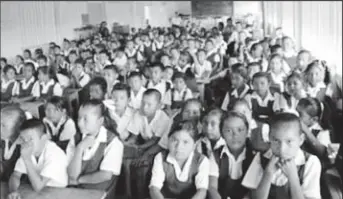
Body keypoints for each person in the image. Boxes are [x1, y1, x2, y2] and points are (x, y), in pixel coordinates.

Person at [242, 113, 322, 199]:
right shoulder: (261, 158)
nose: (282, 149)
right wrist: (268, 173)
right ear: (269, 138)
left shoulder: (311, 162)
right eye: (276, 140)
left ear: (301, 140)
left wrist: (293, 177)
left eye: (289, 141)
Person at [67, 100, 123, 190]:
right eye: (79, 118)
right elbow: (72, 175)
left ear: (100, 121)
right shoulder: (75, 139)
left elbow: (105, 175)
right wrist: (79, 148)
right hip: (77, 191)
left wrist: (78, 180)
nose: (80, 123)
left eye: (85, 119)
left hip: (100, 191)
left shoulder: (113, 142)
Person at [126, 89, 172, 198]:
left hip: (158, 148)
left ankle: (143, 195)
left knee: (143, 168)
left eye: (149, 104)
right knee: (126, 163)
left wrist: (140, 149)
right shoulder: (138, 114)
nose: (144, 107)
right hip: (143, 144)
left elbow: (156, 140)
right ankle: (128, 194)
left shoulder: (163, 118)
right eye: (143, 103)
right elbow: (134, 136)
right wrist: (128, 144)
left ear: (159, 106)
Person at [8, 119, 68, 199]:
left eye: (30, 139)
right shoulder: (29, 151)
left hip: (61, 192)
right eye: (23, 139)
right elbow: (16, 175)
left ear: (44, 138)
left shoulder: (54, 153)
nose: (26, 143)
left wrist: (26, 159)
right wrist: (13, 191)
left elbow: (38, 187)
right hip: (40, 192)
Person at [149, 120, 209, 199]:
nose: (179, 147)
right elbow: (154, 188)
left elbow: (202, 191)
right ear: (168, 141)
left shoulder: (201, 160)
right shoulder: (160, 157)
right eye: (174, 140)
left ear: (194, 145)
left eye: (185, 142)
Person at [209, 111, 254, 199]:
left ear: (247, 132)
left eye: (240, 130)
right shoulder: (216, 155)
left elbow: (253, 191)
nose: (235, 135)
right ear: (221, 134)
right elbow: (212, 188)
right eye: (228, 131)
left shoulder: (255, 156)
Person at [0, 106, 26, 182]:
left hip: (21, 185)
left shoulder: (23, 145)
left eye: (4, 125)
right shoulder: (4, 140)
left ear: (18, 128)